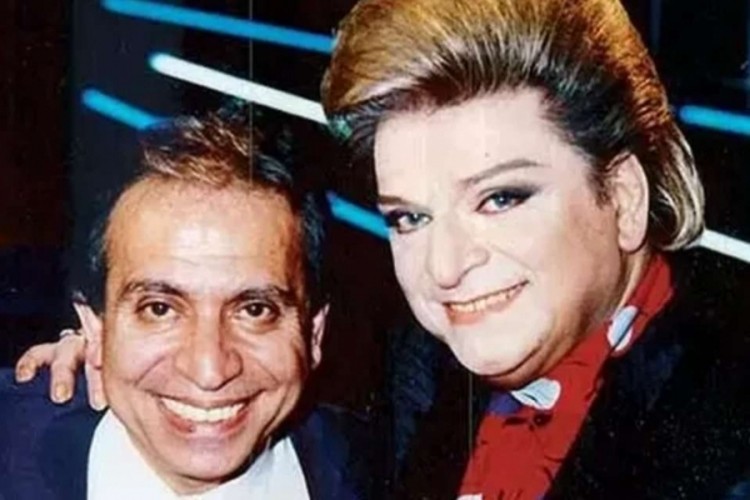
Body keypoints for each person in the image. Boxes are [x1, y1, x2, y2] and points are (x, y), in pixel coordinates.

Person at [17, 0, 750, 498]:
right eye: (410, 218)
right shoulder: (422, 382)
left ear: (623, 197)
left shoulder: (722, 436)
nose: (445, 268)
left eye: (500, 198)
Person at [1, 109, 374, 499]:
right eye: (159, 309)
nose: (209, 371)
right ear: (94, 327)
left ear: (313, 333)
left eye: (255, 310)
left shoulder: (383, 472)